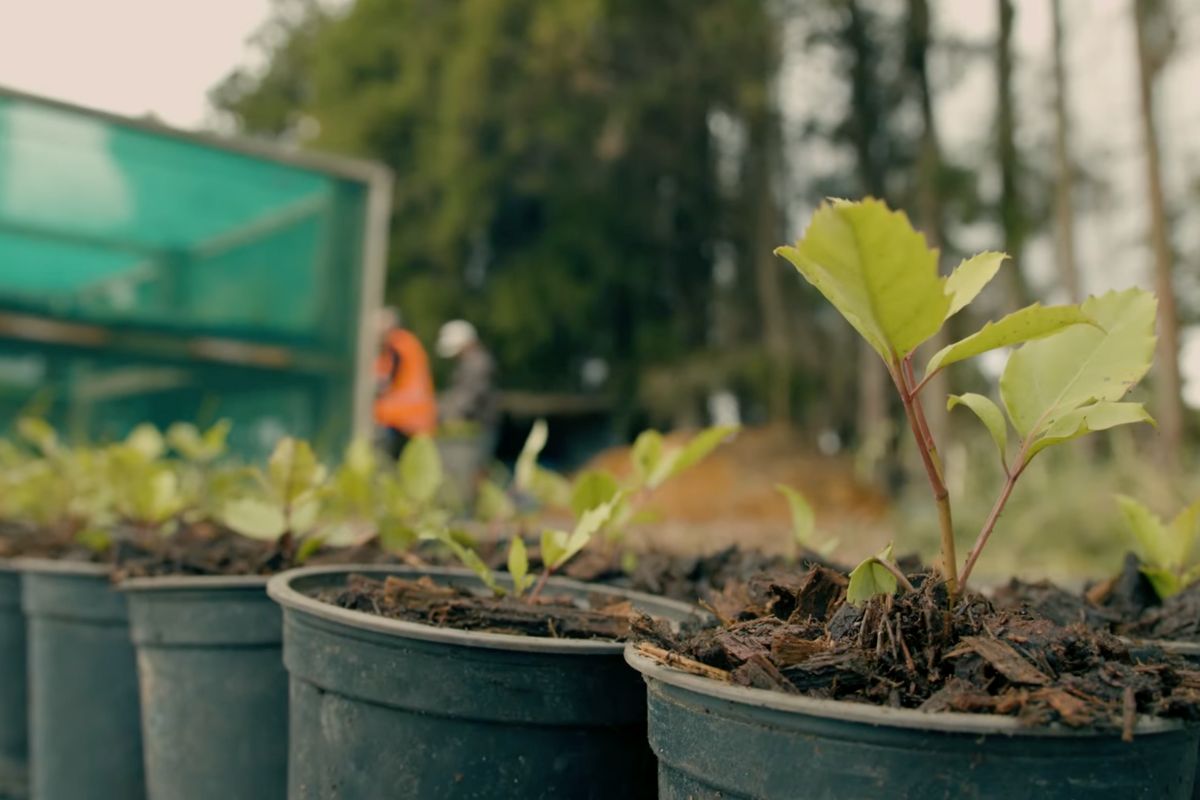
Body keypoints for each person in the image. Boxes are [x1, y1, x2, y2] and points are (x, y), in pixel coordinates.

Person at [373, 307, 437, 458]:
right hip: (415, 418)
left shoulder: (397, 346)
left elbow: (386, 379)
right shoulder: (408, 343)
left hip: (402, 418)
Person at [435, 319, 498, 430]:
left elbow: (468, 399)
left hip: (477, 427)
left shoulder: (478, 364)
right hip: (474, 425)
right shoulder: (471, 363)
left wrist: (440, 412)